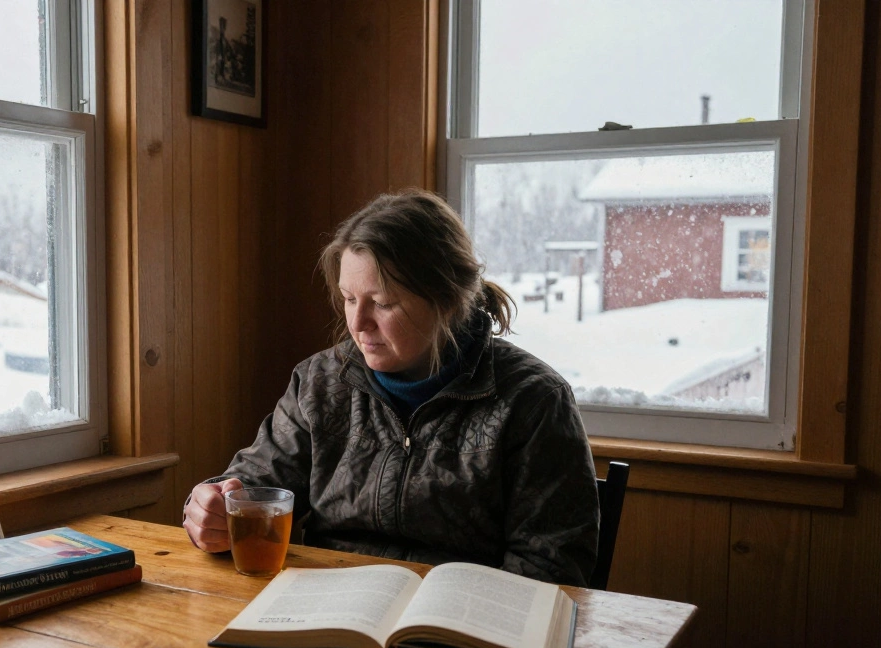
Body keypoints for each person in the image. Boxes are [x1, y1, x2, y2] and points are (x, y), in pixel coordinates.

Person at [183, 189, 600, 586]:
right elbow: (253, 487)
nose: (357, 323)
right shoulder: (319, 383)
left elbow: (551, 568)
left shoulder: (533, 400)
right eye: (349, 299)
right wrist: (214, 508)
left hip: (462, 631)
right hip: (327, 612)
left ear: (447, 299)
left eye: (382, 304)